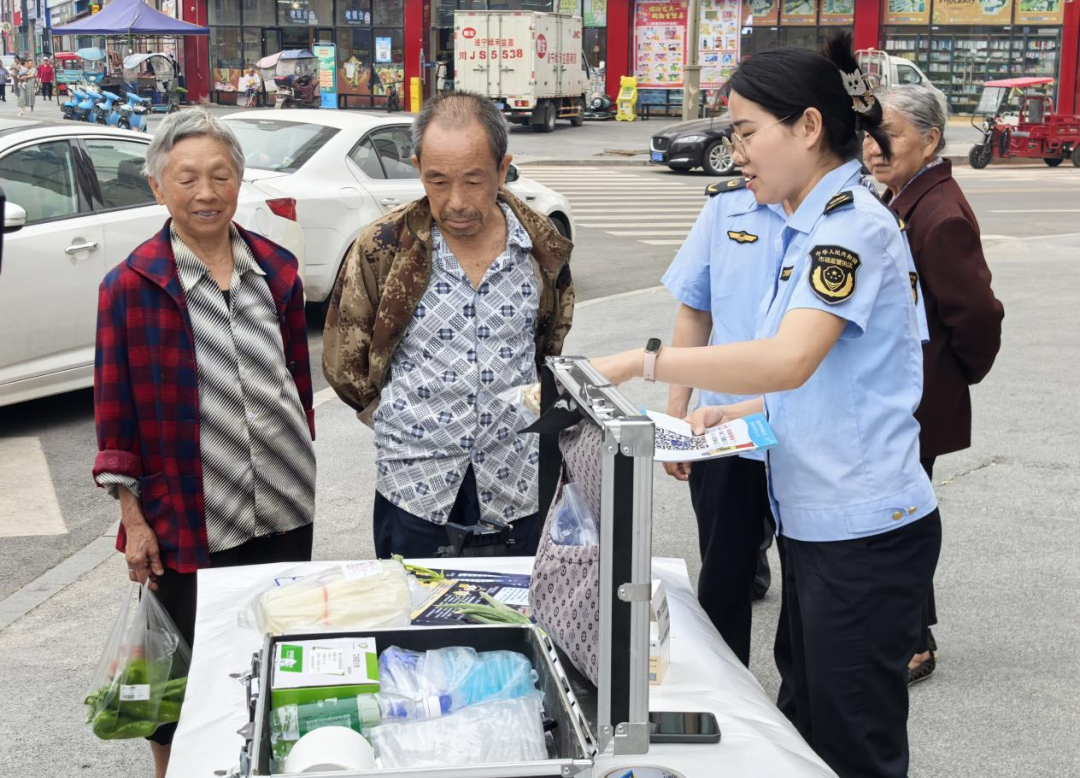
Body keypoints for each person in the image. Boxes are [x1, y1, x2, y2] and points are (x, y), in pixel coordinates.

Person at [592, 34, 939, 778]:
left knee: (852, 745)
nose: (737, 151)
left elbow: (789, 358)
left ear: (808, 127)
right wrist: (739, 413)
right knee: (805, 725)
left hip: (863, 533)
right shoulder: (810, 226)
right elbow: (831, 383)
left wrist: (643, 361)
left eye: (747, 132)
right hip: (819, 525)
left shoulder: (850, 228)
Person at [92, 109, 316, 778]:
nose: (206, 192)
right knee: (182, 674)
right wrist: (133, 520)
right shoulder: (129, 287)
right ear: (158, 187)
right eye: (187, 178)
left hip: (283, 506)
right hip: (187, 515)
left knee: (271, 655)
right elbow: (114, 415)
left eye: (220, 176)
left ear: (240, 182)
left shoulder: (276, 269)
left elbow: (296, 382)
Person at [323, 92, 574, 560]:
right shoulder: (383, 247)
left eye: (474, 180)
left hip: (514, 476)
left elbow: (548, 342)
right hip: (414, 482)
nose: (456, 202)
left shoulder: (541, 247)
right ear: (418, 168)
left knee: (513, 602)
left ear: (502, 169)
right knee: (414, 603)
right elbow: (345, 360)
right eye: (437, 180)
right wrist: (401, 421)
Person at [864, 84, 1004, 686]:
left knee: (906, 514)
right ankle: (903, 628)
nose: (874, 147)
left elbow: (978, 315)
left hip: (919, 395)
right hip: (900, 391)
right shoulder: (901, 196)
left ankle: (914, 641)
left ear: (930, 141)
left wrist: (956, 375)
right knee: (898, 509)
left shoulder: (939, 213)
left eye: (888, 135)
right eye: (870, 135)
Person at [659, 174, 787, 668]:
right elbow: (696, 309)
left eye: (750, 137)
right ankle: (726, 688)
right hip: (724, 428)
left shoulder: (839, 216)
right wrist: (676, 414)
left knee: (810, 584)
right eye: (737, 138)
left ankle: (798, 702)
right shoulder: (726, 207)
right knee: (722, 573)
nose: (739, 151)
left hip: (804, 427)